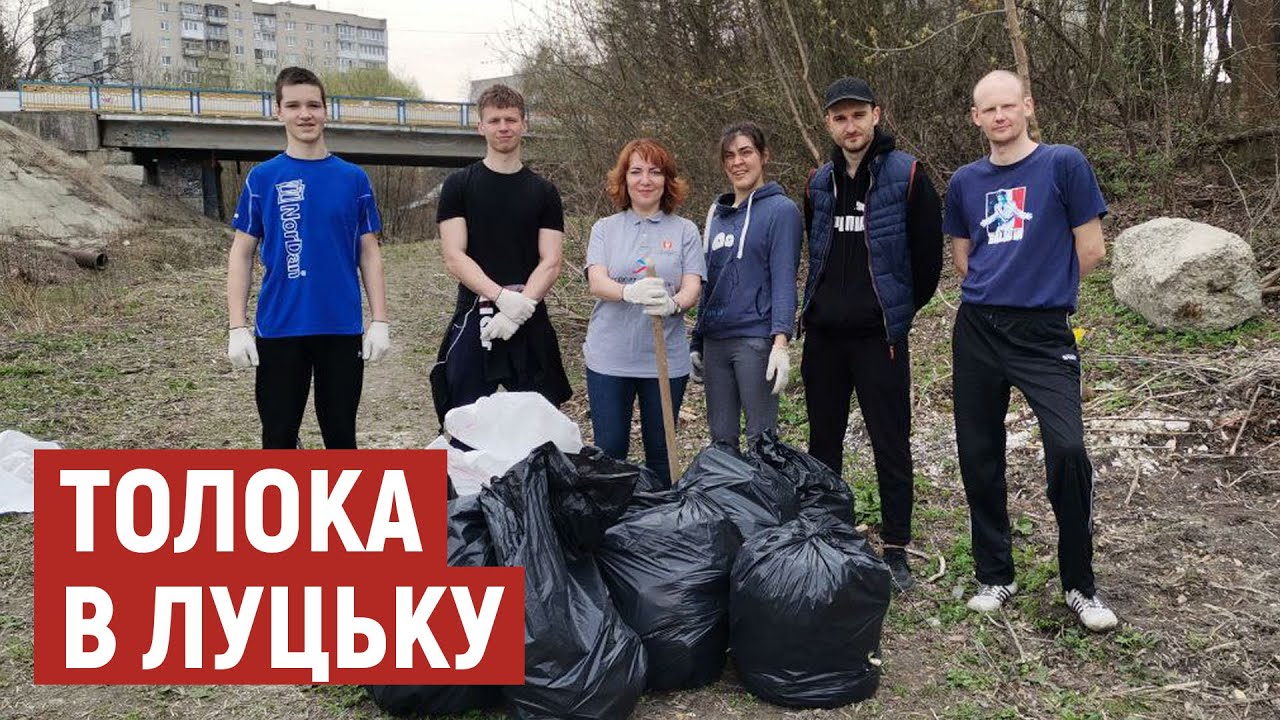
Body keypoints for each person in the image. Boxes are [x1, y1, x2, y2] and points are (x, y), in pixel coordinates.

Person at [943, 70, 1116, 631]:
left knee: (1068, 450)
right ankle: (996, 574)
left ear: (1027, 106)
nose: (999, 116)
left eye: (1008, 106)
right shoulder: (965, 182)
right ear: (976, 117)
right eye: (988, 109)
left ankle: (1079, 585)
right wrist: (997, 289)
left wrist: (1041, 288)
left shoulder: (1064, 163)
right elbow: (963, 256)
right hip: (979, 331)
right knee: (979, 452)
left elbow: (1091, 249)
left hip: (1043, 333)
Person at [800, 77, 943, 592]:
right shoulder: (819, 182)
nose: (850, 125)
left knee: (890, 442)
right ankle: (828, 533)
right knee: (823, 442)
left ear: (876, 115)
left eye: (858, 115)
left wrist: (894, 314)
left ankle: (897, 547)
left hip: (877, 337)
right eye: (840, 118)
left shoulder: (906, 176)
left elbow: (928, 262)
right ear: (829, 125)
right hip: (823, 340)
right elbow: (815, 254)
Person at [226, 66, 389, 449]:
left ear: (326, 111)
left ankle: (337, 509)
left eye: (314, 105)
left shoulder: (353, 179)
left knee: (341, 439)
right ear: (278, 111)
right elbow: (241, 253)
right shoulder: (263, 178)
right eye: (294, 105)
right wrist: (237, 326)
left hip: (340, 327)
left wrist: (380, 319)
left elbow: (369, 252)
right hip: (280, 328)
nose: (305, 114)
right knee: (278, 439)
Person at [429, 84, 571, 423]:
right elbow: (454, 255)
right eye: (494, 120)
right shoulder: (459, 185)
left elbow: (551, 260)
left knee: (541, 424)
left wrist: (520, 309)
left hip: (530, 315)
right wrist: (500, 299)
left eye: (510, 119)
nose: (503, 127)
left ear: (524, 124)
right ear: (480, 126)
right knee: (465, 421)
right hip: (475, 313)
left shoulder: (544, 191)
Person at [583, 139, 705, 485]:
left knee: (662, 453)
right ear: (624, 180)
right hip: (610, 358)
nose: (645, 180)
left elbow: (692, 286)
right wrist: (628, 292)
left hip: (665, 361)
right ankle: (611, 528)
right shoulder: (605, 229)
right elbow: (597, 281)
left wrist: (674, 303)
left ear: (667, 180)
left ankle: (659, 527)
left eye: (655, 172)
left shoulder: (684, 230)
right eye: (636, 172)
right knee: (609, 453)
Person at [691, 122, 802, 449]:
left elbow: (785, 278)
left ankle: (765, 501)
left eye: (745, 152)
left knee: (761, 439)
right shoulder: (716, 213)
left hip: (755, 340)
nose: (737, 162)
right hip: (715, 341)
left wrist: (781, 342)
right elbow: (709, 281)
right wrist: (697, 339)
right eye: (729, 156)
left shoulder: (782, 211)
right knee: (721, 439)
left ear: (764, 156)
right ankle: (729, 501)